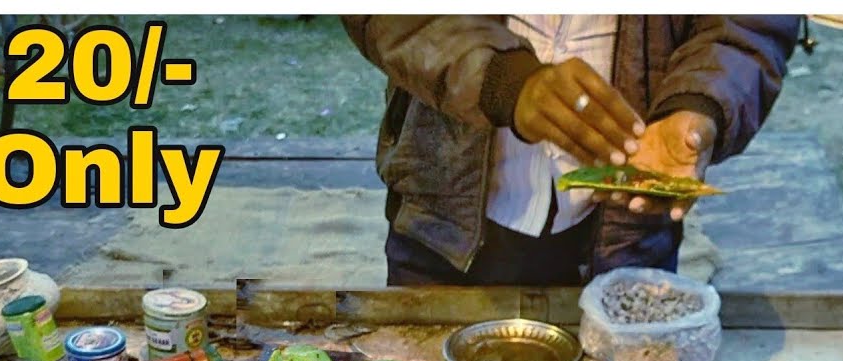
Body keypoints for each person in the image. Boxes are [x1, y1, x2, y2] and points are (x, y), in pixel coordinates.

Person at [341, 15, 801, 286]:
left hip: (626, 244)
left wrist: (699, 102)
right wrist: (502, 81)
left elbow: (747, 23)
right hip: (441, 228)